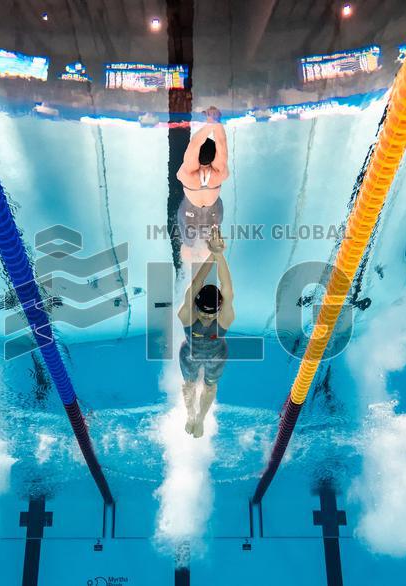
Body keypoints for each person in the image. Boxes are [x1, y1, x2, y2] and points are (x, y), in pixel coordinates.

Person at [176, 226, 235, 438]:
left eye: (212, 315)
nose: (208, 318)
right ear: (195, 307)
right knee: (189, 386)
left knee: (210, 388)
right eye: (204, 314)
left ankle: (201, 418)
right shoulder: (187, 315)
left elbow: (227, 288)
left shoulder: (225, 318)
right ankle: (191, 415)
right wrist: (213, 254)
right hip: (190, 354)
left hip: (217, 356)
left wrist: (219, 254)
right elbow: (195, 284)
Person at [176, 107, 229, 262]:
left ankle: (188, 274)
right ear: (213, 157)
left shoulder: (188, 174)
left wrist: (209, 124)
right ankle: (206, 273)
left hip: (189, 211)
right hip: (214, 211)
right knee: (210, 243)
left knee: (188, 244)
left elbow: (194, 144)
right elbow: (222, 143)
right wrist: (215, 122)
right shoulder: (219, 172)